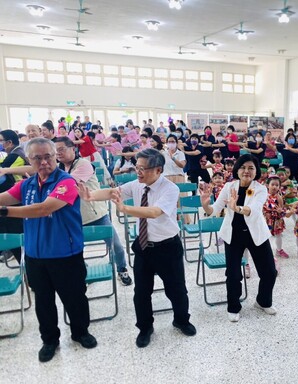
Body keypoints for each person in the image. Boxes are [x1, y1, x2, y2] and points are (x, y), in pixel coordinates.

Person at [80, 148, 196, 347]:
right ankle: (145, 327)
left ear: (158, 170)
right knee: (141, 292)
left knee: (176, 290)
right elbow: (112, 192)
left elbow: (154, 212)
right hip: (144, 247)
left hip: (168, 247)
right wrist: (90, 196)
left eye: (143, 168)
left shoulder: (170, 188)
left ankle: (181, 320)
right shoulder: (136, 185)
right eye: (137, 167)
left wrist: (125, 208)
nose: (138, 172)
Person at [0, 137, 96, 362]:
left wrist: (4, 211)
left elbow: (44, 209)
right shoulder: (27, 185)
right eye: (37, 158)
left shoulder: (67, 182)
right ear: (30, 160)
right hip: (35, 256)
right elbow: (4, 197)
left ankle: (80, 332)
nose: (44, 162)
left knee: (74, 297)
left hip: (66, 254)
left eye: (48, 157)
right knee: (43, 301)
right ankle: (50, 340)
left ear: (55, 157)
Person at [199, 154, 277, 322]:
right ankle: (234, 306)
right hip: (233, 235)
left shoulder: (260, 188)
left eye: (251, 168)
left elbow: (254, 210)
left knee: (270, 272)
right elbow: (214, 209)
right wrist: (206, 204)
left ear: (256, 171)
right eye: (243, 167)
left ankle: (263, 301)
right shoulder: (229, 186)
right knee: (233, 274)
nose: (246, 171)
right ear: (237, 169)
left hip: (256, 234)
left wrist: (237, 207)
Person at [55, 137, 133, 285]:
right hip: (74, 217)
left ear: (73, 149)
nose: (58, 153)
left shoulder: (84, 164)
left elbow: (67, 184)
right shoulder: (59, 169)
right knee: (74, 250)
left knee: (116, 245)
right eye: (55, 151)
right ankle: (82, 271)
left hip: (96, 214)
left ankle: (122, 270)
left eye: (61, 149)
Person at [0, 130, 29, 263]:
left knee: (17, 234)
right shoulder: (11, 154)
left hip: (16, 198)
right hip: (14, 196)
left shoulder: (15, 155)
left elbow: (2, 172)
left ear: (9, 142)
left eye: (1, 141)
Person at [263, 175, 288, 258]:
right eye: (272, 184)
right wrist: (264, 213)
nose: (274, 187)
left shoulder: (279, 197)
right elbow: (261, 207)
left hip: (277, 219)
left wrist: (280, 211)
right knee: (266, 236)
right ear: (267, 185)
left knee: (278, 235)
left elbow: (282, 208)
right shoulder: (264, 196)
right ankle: (266, 251)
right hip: (267, 219)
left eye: (277, 185)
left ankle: (279, 249)